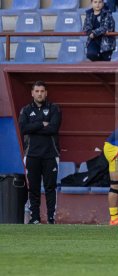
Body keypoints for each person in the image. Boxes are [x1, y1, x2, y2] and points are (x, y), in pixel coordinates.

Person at [19, 81, 62, 224]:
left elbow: (53, 128)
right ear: (32, 93)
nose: (39, 94)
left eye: (42, 91)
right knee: (34, 188)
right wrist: (41, 123)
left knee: (50, 188)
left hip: (51, 154)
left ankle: (51, 218)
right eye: (37, 91)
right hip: (32, 155)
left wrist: (34, 126)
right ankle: (35, 218)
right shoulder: (25, 110)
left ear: (46, 93)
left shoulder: (54, 108)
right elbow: (23, 129)